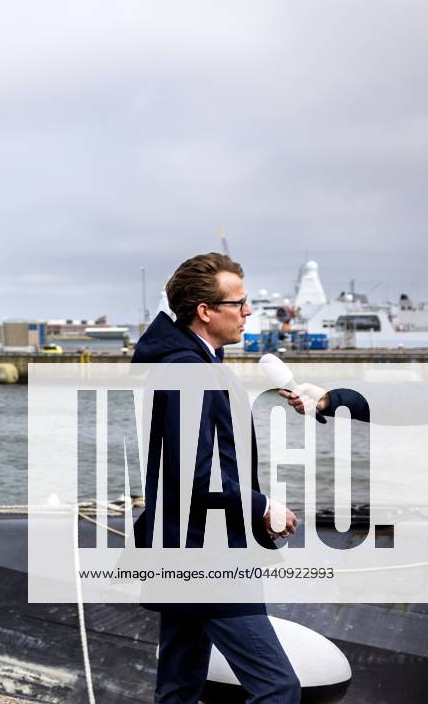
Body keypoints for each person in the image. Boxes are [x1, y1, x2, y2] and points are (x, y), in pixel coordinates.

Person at [132, 252, 302, 704]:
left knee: (180, 688)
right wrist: (262, 506)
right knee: (278, 690)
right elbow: (198, 476)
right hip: (207, 557)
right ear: (205, 312)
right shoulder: (188, 371)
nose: (249, 312)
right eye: (240, 303)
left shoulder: (190, 365)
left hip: (182, 548)